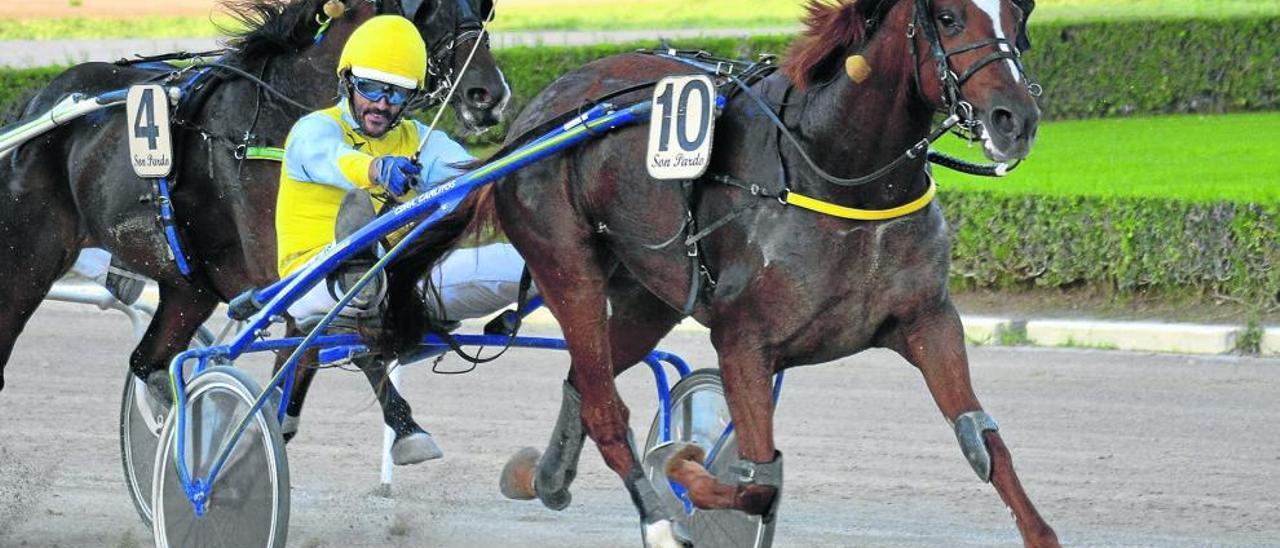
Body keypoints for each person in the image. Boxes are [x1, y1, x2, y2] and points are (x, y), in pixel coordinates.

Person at [275, 15, 530, 461]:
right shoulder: (314, 129)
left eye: (396, 93)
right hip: (308, 281)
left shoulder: (419, 140)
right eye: (371, 87)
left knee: (521, 262)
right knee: (361, 225)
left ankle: (545, 284)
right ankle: (360, 276)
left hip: (398, 283)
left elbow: (468, 174)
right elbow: (331, 160)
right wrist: (376, 171)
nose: (382, 103)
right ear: (347, 82)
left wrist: (515, 179)